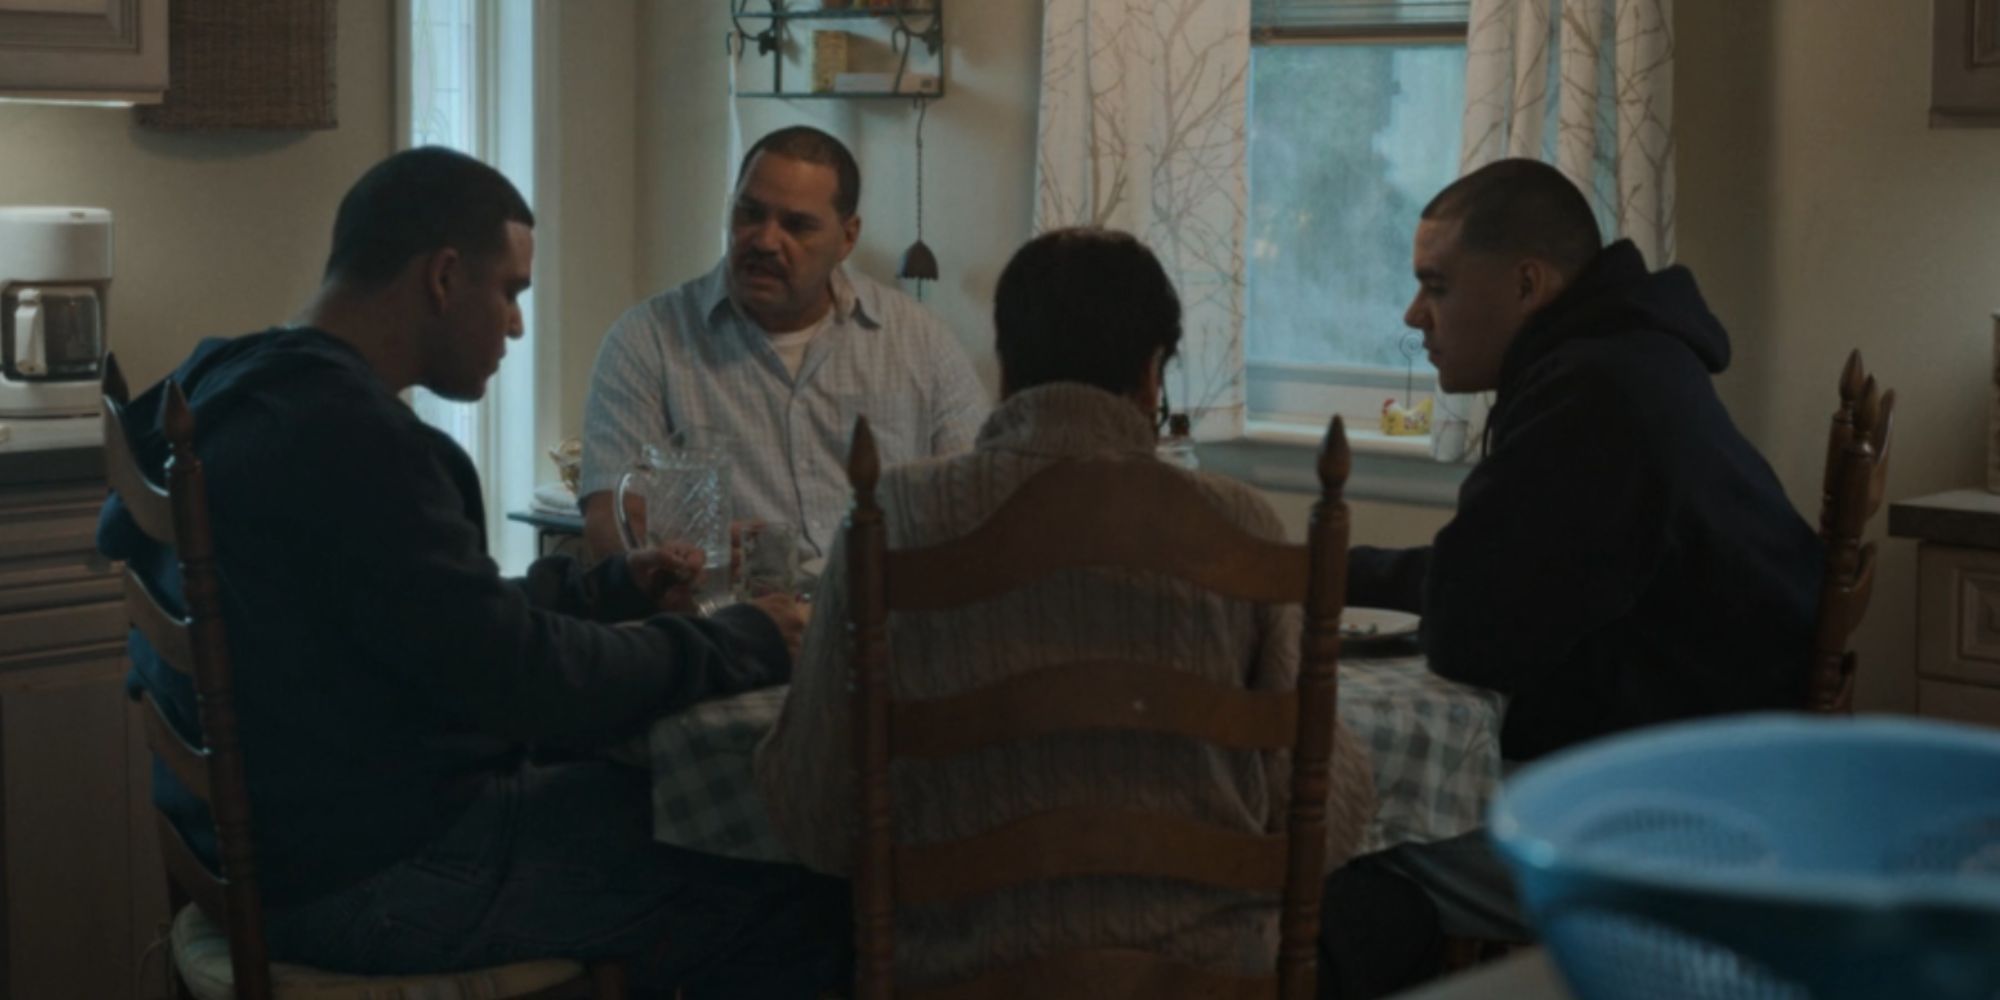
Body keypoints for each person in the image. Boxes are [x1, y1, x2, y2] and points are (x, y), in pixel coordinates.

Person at [100, 147, 845, 996]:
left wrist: (605, 589)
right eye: (511, 292)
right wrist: (739, 640)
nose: (518, 326)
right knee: (790, 873)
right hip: (366, 879)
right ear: (445, 277)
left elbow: (437, 623)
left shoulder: (233, 386)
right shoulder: (357, 443)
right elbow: (527, 683)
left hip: (279, 851)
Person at [754, 227, 1379, 988]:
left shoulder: (893, 517)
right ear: (1153, 376)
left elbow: (818, 817)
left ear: (1006, 365)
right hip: (1203, 979)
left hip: (958, 976)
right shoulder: (1239, 528)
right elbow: (1323, 826)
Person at [1343, 157, 1822, 942]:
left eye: (1437, 286)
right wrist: (1339, 574)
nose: (1412, 316)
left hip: (1684, 831)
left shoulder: (1593, 395)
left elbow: (1475, 634)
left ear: (1528, 285)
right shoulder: (1625, 360)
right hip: (1726, 772)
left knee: (1323, 845)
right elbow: (1505, 578)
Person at [580, 125, 988, 566]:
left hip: (881, 616)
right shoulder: (650, 341)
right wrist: (691, 562)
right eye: (749, 214)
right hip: (723, 621)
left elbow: (978, 501)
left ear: (847, 238)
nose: (765, 240)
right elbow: (610, 521)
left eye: (797, 225)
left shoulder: (919, 341)